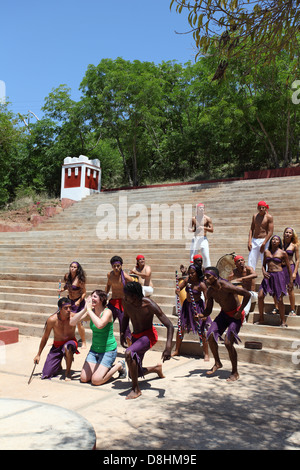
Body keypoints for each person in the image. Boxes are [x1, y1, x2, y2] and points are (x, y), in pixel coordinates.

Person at [120, 282, 174, 400]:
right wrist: (122, 333)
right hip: (136, 337)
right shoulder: (127, 302)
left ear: (134, 296)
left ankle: (136, 389)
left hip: (148, 336)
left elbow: (170, 325)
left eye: (127, 295)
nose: (124, 297)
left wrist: (168, 347)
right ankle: (156, 369)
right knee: (134, 373)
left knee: (129, 353)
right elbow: (125, 317)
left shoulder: (149, 305)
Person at [201, 267, 251, 382]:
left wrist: (240, 311)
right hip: (224, 315)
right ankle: (217, 362)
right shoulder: (210, 291)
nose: (205, 278)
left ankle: (235, 372)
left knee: (228, 343)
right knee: (210, 335)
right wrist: (201, 315)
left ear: (215, 276)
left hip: (236, 316)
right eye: (204, 276)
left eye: (208, 276)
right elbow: (208, 310)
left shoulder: (226, 286)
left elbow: (247, 294)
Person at [69, 290, 126, 385]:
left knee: (96, 380)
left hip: (108, 351)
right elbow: (72, 322)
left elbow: (100, 324)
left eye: (94, 297)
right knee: (84, 378)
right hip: (94, 350)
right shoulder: (91, 312)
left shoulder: (107, 312)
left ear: (102, 299)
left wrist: (89, 311)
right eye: (91, 297)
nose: (92, 299)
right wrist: (84, 309)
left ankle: (119, 365)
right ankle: (102, 367)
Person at [172, 263, 211, 360]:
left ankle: (206, 353)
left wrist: (205, 313)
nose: (190, 275)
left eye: (192, 273)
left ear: (197, 273)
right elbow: (179, 288)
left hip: (197, 307)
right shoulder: (187, 280)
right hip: (186, 306)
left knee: (201, 330)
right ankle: (177, 350)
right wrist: (177, 290)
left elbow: (207, 299)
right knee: (180, 328)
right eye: (189, 273)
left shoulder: (201, 284)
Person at [33, 298, 79, 381]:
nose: (69, 310)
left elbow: (86, 317)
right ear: (60, 309)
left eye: (70, 307)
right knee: (46, 374)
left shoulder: (74, 317)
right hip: (57, 345)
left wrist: (88, 309)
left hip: (70, 343)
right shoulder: (52, 320)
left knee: (67, 347)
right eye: (66, 308)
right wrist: (38, 354)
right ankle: (59, 363)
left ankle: (68, 372)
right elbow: (45, 337)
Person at [257, 235, 293, 327]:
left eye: (277, 239)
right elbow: (263, 264)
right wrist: (263, 271)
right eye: (273, 239)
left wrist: (291, 281)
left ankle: (283, 321)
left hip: (278, 275)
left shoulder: (283, 253)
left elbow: (289, 268)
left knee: (280, 299)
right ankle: (261, 319)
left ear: (279, 242)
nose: (274, 241)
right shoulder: (266, 252)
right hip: (268, 276)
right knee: (260, 296)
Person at [59, 261, 87, 348]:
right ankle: (65, 340)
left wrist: (79, 301)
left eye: (74, 267)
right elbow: (67, 286)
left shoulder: (80, 279)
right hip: (70, 302)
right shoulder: (67, 276)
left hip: (78, 303)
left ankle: (84, 342)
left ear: (78, 269)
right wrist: (62, 290)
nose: (72, 268)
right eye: (71, 266)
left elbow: (84, 292)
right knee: (66, 321)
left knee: (78, 323)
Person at [105, 255, 132, 343]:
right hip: (113, 302)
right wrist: (105, 295)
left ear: (121, 266)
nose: (116, 268)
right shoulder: (110, 275)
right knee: (105, 323)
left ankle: (130, 349)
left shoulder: (125, 276)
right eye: (114, 266)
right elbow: (108, 284)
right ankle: (104, 345)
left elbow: (134, 285)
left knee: (125, 327)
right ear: (112, 266)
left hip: (123, 304)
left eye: (118, 266)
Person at [228, 255, 258, 323]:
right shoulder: (235, 271)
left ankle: (243, 314)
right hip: (242, 295)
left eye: (242, 260)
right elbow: (229, 279)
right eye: (238, 261)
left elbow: (255, 275)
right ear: (236, 264)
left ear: (244, 261)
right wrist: (230, 277)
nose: (241, 262)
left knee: (247, 294)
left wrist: (242, 278)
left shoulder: (248, 269)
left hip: (252, 294)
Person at [248, 201, 274, 270]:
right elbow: (251, 229)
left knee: (265, 259)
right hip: (255, 239)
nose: (261, 209)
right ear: (257, 208)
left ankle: (267, 278)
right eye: (260, 208)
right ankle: (250, 278)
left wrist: (264, 243)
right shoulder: (255, 216)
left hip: (264, 239)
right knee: (251, 260)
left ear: (266, 208)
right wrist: (249, 241)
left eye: (263, 207)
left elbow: (270, 231)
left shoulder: (269, 217)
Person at [188, 203, 213, 267]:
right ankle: (192, 269)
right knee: (193, 255)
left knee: (206, 255)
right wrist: (193, 230)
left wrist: (204, 228)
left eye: (203, 208)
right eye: (200, 208)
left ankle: (207, 269)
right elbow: (189, 228)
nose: (202, 209)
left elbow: (212, 230)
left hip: (203, 238)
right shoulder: (193, 218)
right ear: (197, 209)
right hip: (196, 238)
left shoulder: (207, 218)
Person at [282, 227, 300, 316]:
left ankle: (292, 309)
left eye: (290, 232)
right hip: (280, 268)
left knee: (290, 289)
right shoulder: (280, 244)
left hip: (291, 268)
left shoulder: (294, 245)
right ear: (284, 233)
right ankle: (277, 307)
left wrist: (295, 272)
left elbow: (297, 260)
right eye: (286, 232)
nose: (288, 234)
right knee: (279, 288)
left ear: (292, 235)